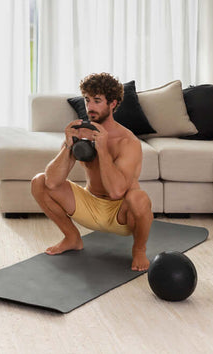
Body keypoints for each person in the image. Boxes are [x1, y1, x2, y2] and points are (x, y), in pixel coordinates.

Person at [31, 72, 154, 271]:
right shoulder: (81, 132)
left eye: (97, 101)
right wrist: (68, 146)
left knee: (139, 198)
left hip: (120, 214)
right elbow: (52, 182)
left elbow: (116, 192)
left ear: (113, 104)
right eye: (87, 100)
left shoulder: (127, 141)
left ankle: (139, 250)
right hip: (90, 205)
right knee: (39, 181)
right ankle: (72, 238)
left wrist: (103, 148)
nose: (90, 107)